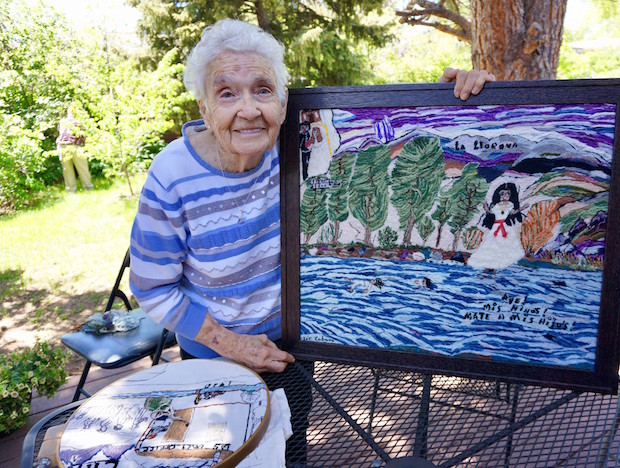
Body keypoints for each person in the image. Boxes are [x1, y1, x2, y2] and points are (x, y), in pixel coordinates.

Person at [129, 18, 494, 465]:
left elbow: (385, 137)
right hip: (211, 355)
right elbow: (152, 288)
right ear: (204, 107)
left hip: (290, 348)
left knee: (289, 449)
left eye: (263, 90)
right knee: (218, 458)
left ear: (283, 103)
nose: (248, 109)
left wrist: (449, 102)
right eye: (227, 93)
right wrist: (232, 344)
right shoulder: (171, 176)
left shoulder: (297, 146)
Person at [468, 182, 528, 272]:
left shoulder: (510, 205)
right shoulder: (497, 205)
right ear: (499, 195)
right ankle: (487, 266)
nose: (505, 196)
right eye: (502, 193)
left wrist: (522, 208)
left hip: (505, 228)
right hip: (496, 228)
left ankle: (496, 266)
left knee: (502, 247)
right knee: (491, 246)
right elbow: (490, 212)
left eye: (507, 193)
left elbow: (513, 212)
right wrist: (485, 205)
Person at [56, 106, 93, 192]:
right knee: (83, 168)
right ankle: (88, 188)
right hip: (75, 145)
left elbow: (60, 132)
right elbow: (83, 135)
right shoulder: (78, 122)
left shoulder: (62, 121)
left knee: (67, 170)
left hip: (61, 145)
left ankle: (71, 191)